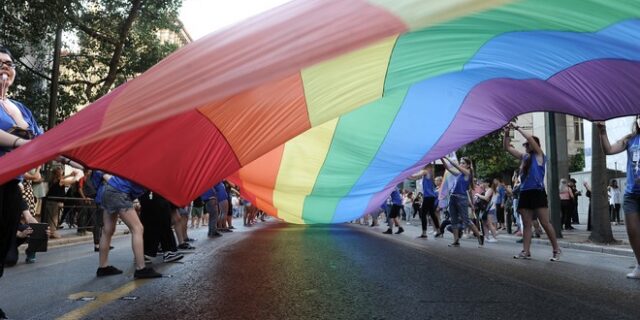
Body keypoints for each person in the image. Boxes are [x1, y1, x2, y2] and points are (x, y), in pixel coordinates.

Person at [0, 46, 44, 319]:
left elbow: (39, 139)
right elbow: (26, 141)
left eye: (9, 63)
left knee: (3, 248)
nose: (5, 67)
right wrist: (20, 142)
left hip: (9, 183)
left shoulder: (20, 107)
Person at [503, 124, 560, 261]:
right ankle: (526, 251)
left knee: (545, 223)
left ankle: (556, 250)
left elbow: (529, 137)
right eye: (526, 145)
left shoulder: (540, 156)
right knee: (526, 223)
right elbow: (507, 148)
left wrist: (517, 128)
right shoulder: (524, 158)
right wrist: (506, 133)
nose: (526, 147)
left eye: (528, 145)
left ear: (534, 145)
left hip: (537, 192)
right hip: (525, 192)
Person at [597, 117, 640, 279]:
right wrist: (602, 132)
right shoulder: (630, 139)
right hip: (631, 193)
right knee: (633, 231)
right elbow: (608, 150)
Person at [95, 172, 161, 279]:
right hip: (119, 192)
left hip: (108, 189)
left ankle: (103, 267)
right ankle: (141, 268)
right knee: (137, 228)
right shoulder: (151, 171)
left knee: (107, 230)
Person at [441, 156, 483, 247]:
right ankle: (456, 241)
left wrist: (447, 158)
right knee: (454, 220)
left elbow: (455, 166)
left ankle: (479, 236)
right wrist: (441, 158)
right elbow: (448, 168)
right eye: (460, 162)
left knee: (466, 220)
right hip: (453, 197)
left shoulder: (467, 173)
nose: (461, 164)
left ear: (468, 165)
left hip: (461, 198)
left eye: (463, 163)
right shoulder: (459, 174)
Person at [410, 164, 441, 238]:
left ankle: (424, 233)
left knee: (423, 214)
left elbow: (414, 176)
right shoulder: (430, 172)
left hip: (428, 197)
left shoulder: (425, 171)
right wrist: (407, 176)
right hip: (431, 197)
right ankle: (438, 231)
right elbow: (414, 178)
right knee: (432, 214)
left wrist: (406, 173)